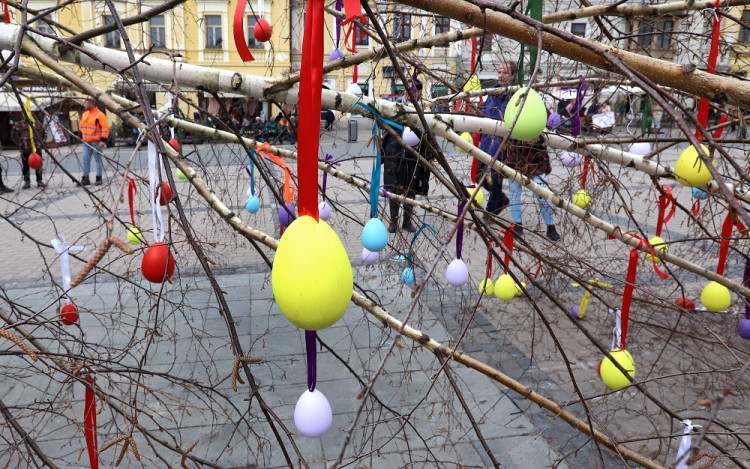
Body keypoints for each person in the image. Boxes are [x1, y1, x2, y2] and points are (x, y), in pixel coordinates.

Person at [381, 80, 434, 233]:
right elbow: (384, 125)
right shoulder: (394, 106)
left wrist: (429, 155)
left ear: (418, 92)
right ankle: (393, 221)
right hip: (395, 153)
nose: (407, 93)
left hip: (414, 154)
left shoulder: (424, 109)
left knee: (410, 189)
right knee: (394, 188)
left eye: (410, 90)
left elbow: (429, 135)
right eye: (405, 89)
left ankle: (407, 221)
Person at [477, 60, 516, 215]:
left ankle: (490, 213)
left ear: (513, 76)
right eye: (500, 72)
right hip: (486, 142)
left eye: (505, 72)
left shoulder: (515, 96)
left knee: (495, 179)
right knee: (478, 174)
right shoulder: (492, 93)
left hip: (502, 145)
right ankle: (501, 198)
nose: (501, 75)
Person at [504, 141, 561, 241]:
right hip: (515, 156)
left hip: (536, 157)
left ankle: (551, 226)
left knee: (543, 194)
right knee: (514, 192)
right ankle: (517, 224)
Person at [10, 112, 46, 189]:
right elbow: (13, 135)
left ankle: (39, 180)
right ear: (23, 114)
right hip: (25, 149)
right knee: (26, 166)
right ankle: (27, 182)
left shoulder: (38, 124)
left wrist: (40, 143)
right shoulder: (19, 125)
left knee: (38, 165)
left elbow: (44, 134)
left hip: (37, 150)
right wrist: (20, 143)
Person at [79, 98, 110, 186]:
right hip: (86, 141)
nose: (84, 104)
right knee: (85, 159)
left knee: (98, 160)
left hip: (96, 141)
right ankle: (85, 178)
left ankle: (99, 178)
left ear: (91, 103)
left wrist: (103, 140)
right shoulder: (85, 114)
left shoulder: (100, 115)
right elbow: (82, 127)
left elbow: (105, 128)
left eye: (86, 103)